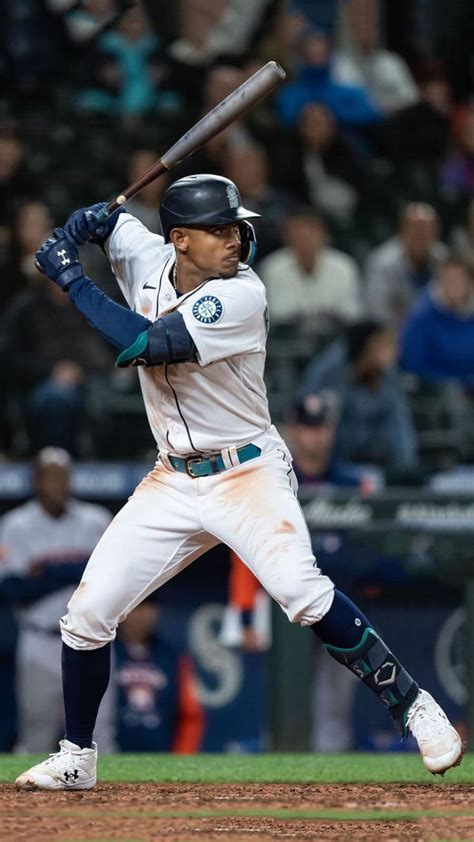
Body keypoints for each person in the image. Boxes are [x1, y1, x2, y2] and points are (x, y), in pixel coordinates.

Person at [16, 174, 462, 790]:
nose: (236, 238)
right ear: (178, 239)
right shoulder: (144, 252)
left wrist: (69, 275)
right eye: (219, 229)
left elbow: (149, 344)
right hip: (171, 479)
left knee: (303, 594)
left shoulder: (241, 294)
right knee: (86, 616)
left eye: (235, 225)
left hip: (246, 471)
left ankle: (416, 707)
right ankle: (77, 758)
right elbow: (108, 226)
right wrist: (85, 223)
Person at [0, 447, 113, 752]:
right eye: (48, 477)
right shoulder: (16, 525)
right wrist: (79, 568)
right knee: (36, 728)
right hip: (40, 638)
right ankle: (28, 802)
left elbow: (112, 577)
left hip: (91, 640)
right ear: (35, 481)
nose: (56, 485)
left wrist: (47, 570)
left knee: (100, 731)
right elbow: (14, 589)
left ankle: (113, 801)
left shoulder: (95, 520)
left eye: (62, 477)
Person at [298, 320, 418, 470]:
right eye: (386, 345)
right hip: (330, 467)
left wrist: (406, 470)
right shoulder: (330, 371)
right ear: (369, 346)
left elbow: (399, 428)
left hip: (374, 464)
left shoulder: (388, 377)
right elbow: (308, 422)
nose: (395, 352)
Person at [114, 597, 204, 752]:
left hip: (160, 755)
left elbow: (190, 715)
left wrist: (182, 758)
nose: (139, 615)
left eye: (146, 607)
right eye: (134, 607)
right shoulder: (102, 653)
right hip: (109, 751)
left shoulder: (172, 657)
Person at [258, 207, 363, 330]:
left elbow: (351, 313)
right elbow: (277, 314)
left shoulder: (344, 266)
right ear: (286, 236)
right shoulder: (273, 267)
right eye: (298, 232)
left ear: (325, 235)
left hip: (336, 335)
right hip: (288, 339)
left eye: (311, 231)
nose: (305, 237)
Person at [365, 203, 449, 329]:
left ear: (436, 233)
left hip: (436, 332)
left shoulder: (443, 258)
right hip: (393, 332)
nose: (421, 235)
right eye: (415, 229)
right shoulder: (383, 263)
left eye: (427, 230)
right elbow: (377, 312)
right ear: (401, 231)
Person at [400, 257, 474, 385]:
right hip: (436, 390)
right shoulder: (422, 315)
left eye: (459, 280)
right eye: (448, 281)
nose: (454, 286)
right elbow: (413, 363)